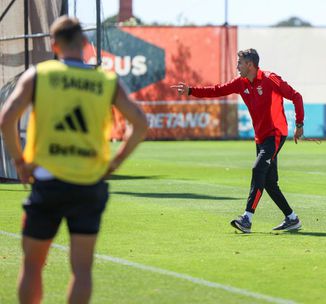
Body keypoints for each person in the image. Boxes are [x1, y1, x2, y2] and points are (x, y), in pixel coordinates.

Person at [0, 16, 148, 304]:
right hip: (88, 184)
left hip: (47, 182)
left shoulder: (40, 75)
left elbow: (6, 119)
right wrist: (115, 163)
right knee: (81, 269)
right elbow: (140, 124)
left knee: (32, 266)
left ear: (54, 45)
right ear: (84, 43)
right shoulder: (105, 80)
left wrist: (19, 161)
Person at [173, 48, 304, 233]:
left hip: (275, 134)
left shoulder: (270, 79)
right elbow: (217, 90)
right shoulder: (241, 83)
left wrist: (299, 125)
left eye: (240, 63)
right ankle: (292, 218)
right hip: (260, 136)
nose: (237, 66)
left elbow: (296, 96)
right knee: (268, 181)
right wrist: (191, 91)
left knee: (258, 169)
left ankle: (247, 219)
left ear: (250, 64)